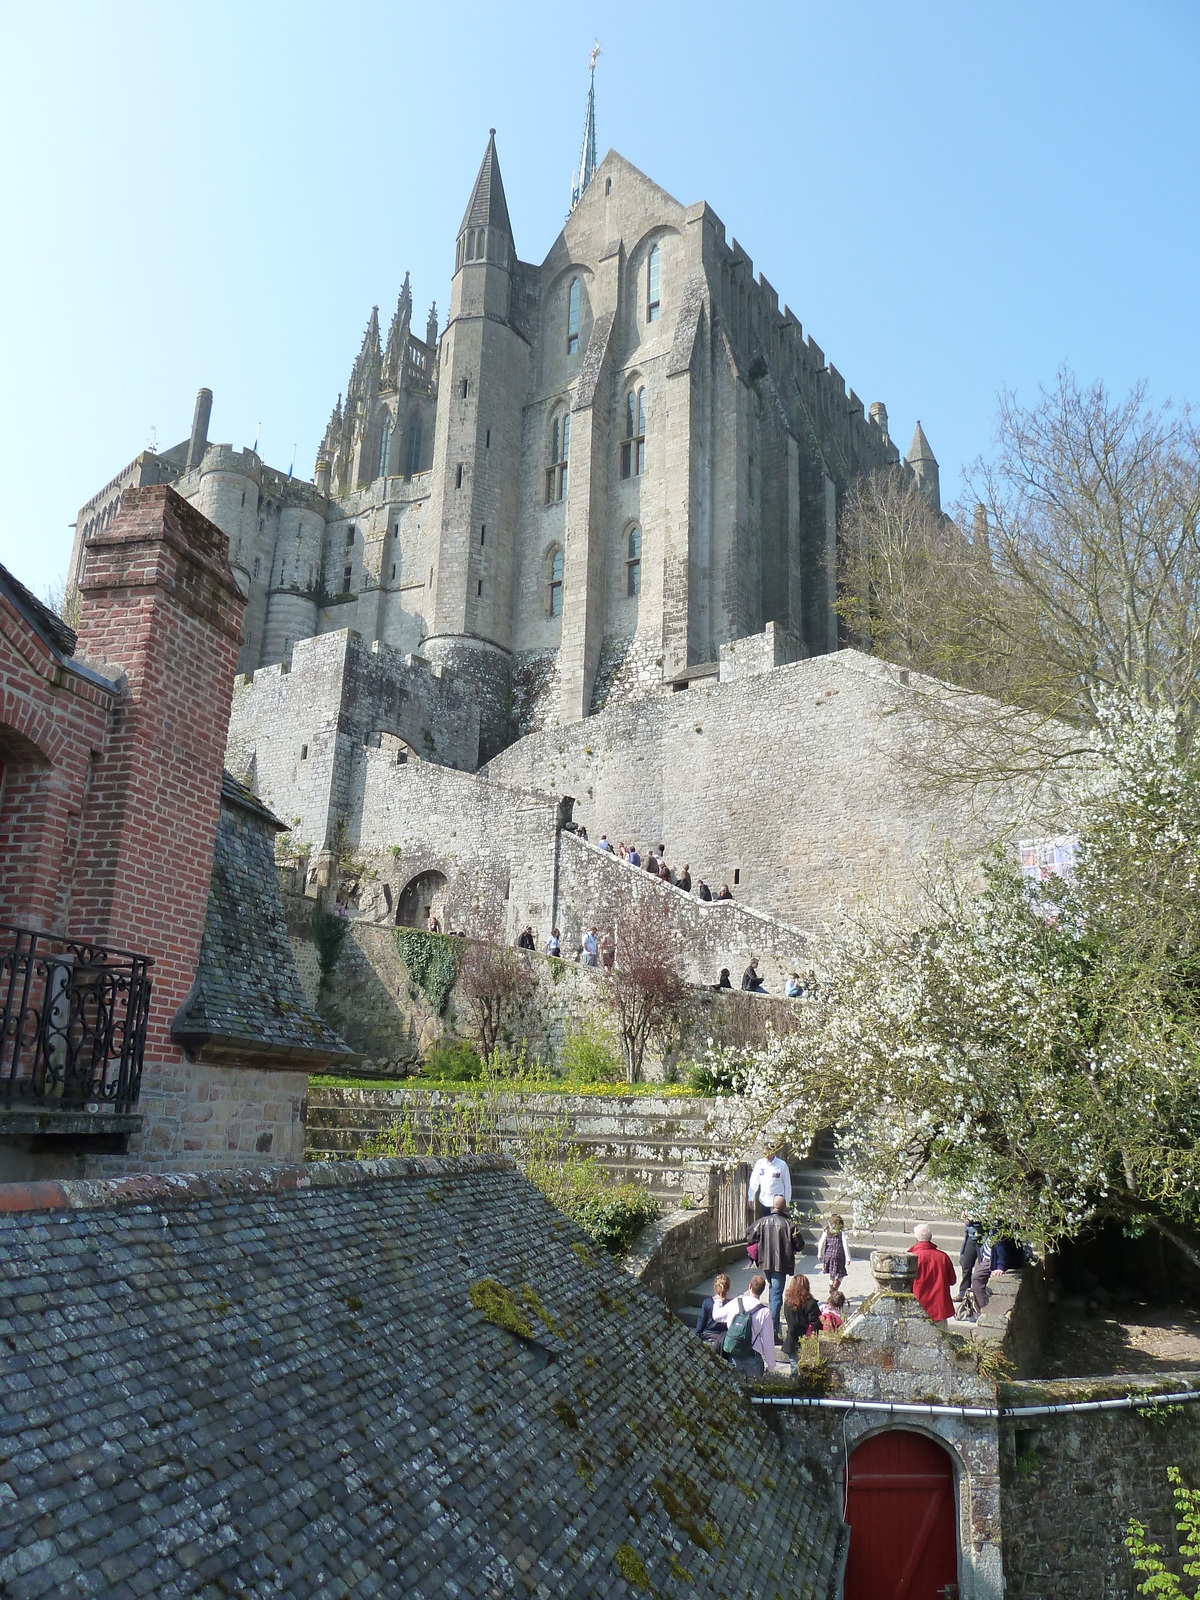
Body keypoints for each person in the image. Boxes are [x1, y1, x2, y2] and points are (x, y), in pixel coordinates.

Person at [746, 1196, 797, 1343]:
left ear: (773, 1207)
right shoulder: (789, 1225)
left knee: (773, 1292)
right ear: (784, 1208)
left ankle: (764, 1327)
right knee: (776, 1297)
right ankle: (771, 1332)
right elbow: (799, 1244)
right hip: (781, 1264)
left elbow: (750, 1235)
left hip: (766, 1262)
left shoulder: (763, 1222)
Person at [711, 1274, 775, 1376]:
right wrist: (771, 1366)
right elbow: (768, 1342)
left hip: (734, 1354)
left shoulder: (737, 1301)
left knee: (735, 1388)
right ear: (762, 1291)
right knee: (753, 1389)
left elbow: (716, 1316)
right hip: (753, 1358)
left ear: (750, 1286)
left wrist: (718, 1301)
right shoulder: (765, 1312)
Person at [910, 1223, 956, 1323]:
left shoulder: (912, 1257)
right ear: (931, 1237)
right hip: (940, 1308)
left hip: (918, 1308)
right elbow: (952, 1281)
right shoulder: (943, 1257)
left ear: (916, 1239)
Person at [780, 1273, 822, 1358]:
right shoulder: (810, 1303)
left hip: (791, 1341)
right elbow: (815, 1324)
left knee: (794, 1369)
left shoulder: (788, 1303)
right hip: (806, 1342)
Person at [748, 1144, 792, 1214]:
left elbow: (787, 1185)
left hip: (777, 1203)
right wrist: (750, 1198)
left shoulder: (782, 1165)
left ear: (774, 1152)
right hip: (764, 1201)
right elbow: (754, 1182)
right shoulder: (760, 1164)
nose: (767, 1156)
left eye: (769, 1154)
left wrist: (786, 1202)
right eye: (765, 1154)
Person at [693, 1271, 731, 1351]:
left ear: (715, 1287)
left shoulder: (707, 1303)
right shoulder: (731, 1304)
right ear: (728, 1288)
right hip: (723, 1340)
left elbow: (701, 1324)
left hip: (708, 1338)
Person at [815, 1215, 851, 1290]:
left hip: (828, 1255)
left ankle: (831, 1287)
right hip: (838, 1256)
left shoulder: (827, 1231)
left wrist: (820, 1254)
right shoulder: (841, 1233)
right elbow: (845, 1245)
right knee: (841, 1274)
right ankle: (834, 1288)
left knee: (832, 1274)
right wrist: (848, 1258)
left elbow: (821, 1243)